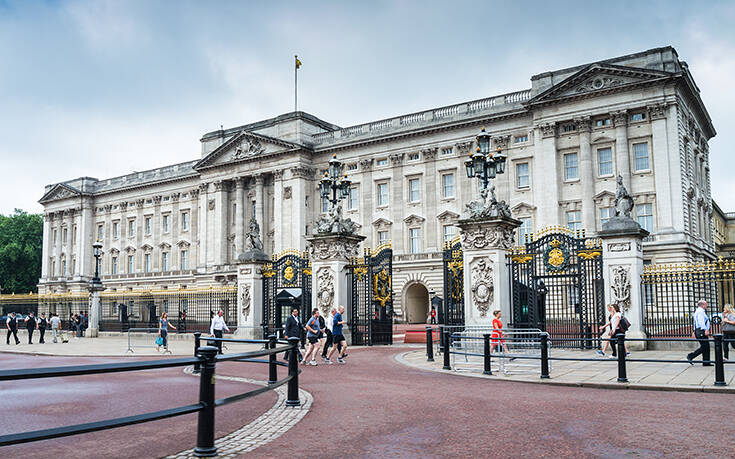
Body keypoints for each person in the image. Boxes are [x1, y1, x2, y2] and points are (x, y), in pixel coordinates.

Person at [686, 299, 711, 366]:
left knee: (706, 346)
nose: (707, 305)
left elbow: (695, 322)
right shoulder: (700, 312)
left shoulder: (699, 311)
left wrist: (694, 331)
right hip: (701, 331)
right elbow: (701, 322)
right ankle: (691, 356)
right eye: (706, 304)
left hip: (699, 330)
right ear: (703, 305)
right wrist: (705, 329)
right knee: (705, 346)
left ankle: (706, 362)